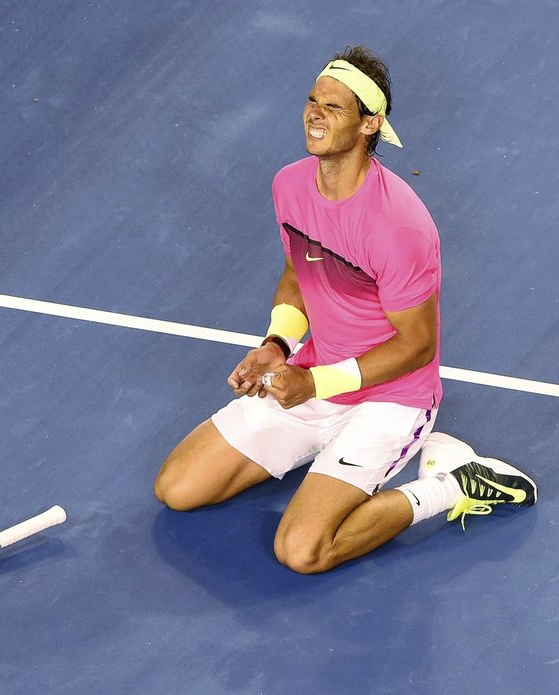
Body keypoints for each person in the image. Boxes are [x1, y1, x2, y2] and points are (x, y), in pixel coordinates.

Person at [153, 45, 537, 574]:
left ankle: (454, 484)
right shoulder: (290, 185)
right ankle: (323, 457)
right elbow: (297, 275)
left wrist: (315, 385)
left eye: (333, 108)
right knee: (177, 487)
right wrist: (277, 345)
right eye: (312, 100)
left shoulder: (400, 226)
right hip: (315, 376)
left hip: (391, 399)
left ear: (369, 124)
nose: (314, 113)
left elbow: (416, 345)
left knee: (303, 551)